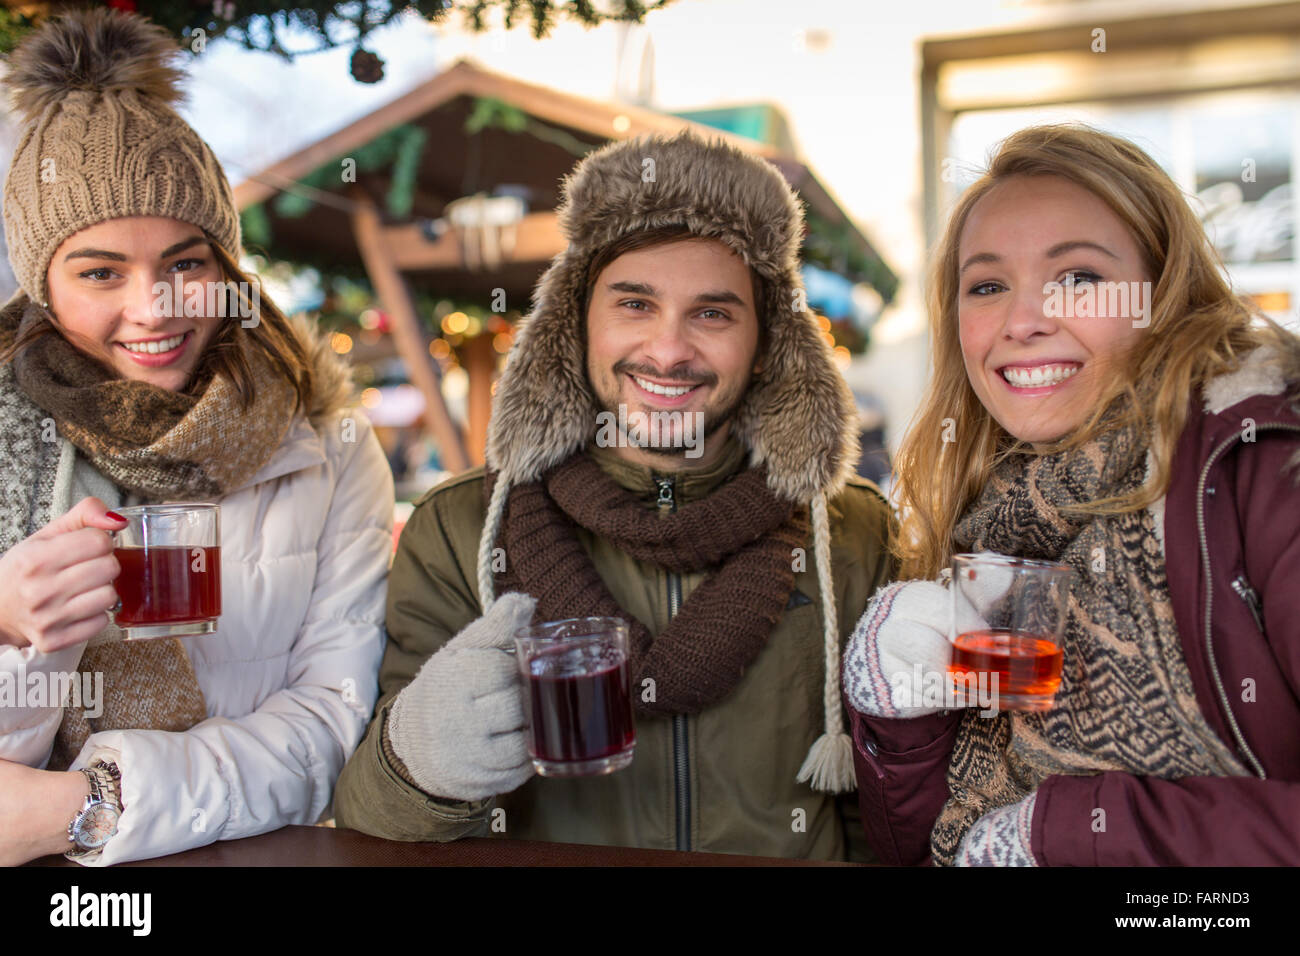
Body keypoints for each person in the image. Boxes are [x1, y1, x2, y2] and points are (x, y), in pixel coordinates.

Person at [334, 130, 895, 859]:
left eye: (713, 313)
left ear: (767, 348)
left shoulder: (852, 532)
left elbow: (880, 821)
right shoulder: (462, 528)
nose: (667, 351)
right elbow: (370, 829)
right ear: (576, 324)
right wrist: (415, 767)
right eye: (634, 304)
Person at [843, 124, 1300, 866]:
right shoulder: (981, 505)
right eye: (988, 286)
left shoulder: (1260, 461)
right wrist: (902, 721)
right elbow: (927, 851)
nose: (1023, 322)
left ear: (1164, 291)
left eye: (1079, 278)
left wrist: (1077, 835)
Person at [0, 9, 392, 866]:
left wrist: (92, 805)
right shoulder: (6, 440)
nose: (157, 308)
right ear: (43, 287)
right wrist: (5, 627)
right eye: (101, 272)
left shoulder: (323, 443)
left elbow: (329, 726)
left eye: (186, 263)